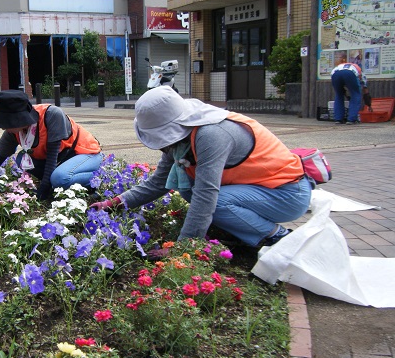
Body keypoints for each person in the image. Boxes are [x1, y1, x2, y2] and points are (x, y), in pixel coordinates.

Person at [90, 86, 313, 248]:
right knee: (186, 188)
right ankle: (246, 229)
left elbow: (207, 197)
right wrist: (115, 203)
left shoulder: (211, 134)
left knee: (213, 201)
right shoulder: (181, 139)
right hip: (260, 190)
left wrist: (183, 248)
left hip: (287, 193)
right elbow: (158, 182)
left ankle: (277, 235)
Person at [0, 90, 103, 200]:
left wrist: (44, 189)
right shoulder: (12, 131)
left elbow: (51, 158)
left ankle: (99, 177)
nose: (3, 128)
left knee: (59, 179)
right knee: (22, 159)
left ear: (19, 119)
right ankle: (60, 181)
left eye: (5, 123)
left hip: (85, 154)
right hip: (63, 160)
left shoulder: (52, 115)